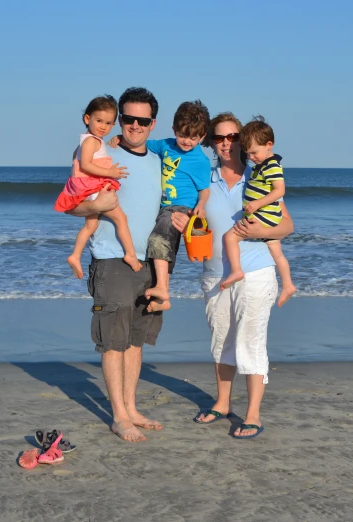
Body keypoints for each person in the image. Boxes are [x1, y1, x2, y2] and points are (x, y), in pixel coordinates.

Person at [172, 112, 294, 439]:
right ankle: (223, 403)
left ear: (243, 139)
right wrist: (183, 222)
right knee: (222, 340)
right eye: (218, 137)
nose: (226, 143)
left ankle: (252, 413)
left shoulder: (258, 177)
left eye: (233, 137)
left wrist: (258, 228)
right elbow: (189, 215)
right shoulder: (205, 179)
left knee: (251, 342)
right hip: (214, 274)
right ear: (211, 142)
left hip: (255, 273)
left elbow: (287, 225)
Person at [68, 87, 165, 443]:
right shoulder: (98, 151)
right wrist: (95, 206)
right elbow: (71, 203)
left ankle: (132, 408)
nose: (134, 125)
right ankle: (118, 416)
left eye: (143, 120)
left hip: (150, 261)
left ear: (152, 123)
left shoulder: (158, 161)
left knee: (136, 340)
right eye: (128, 118)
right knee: (113, 341)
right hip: (111, 259)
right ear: (119, 119)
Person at [134, 100, 211, 312]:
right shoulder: (166, 145)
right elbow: (141, 144)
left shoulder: (200, 161)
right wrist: (119, 139)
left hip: (181, 208)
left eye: (193, 137)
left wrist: (201, 206)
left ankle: (161, 287)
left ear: (202, 137)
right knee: (166, 246)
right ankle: (163, 298)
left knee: (158, 239)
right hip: (162, 207)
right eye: (183, 135)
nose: (187, 141)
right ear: (174, 129)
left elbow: (204, 189)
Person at [54, 95, 142, 279]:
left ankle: (75, 255)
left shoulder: (88, 141)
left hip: (88, 188)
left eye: (109, 123)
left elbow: (75, 163)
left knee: (90, 225)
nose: (103, 126)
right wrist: (109, 173)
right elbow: (85, 165)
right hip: (93, 189)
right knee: (121, 219)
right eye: (99, 120)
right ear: (87, 119)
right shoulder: (91, 141)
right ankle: (131, 255)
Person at [219, 117, 296, 307]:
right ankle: (288, 285)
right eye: (249, 154)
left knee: (230, 238)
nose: (252, 157)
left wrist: (256, 204)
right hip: (267, 217)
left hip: (263, 216)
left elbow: (280, 191)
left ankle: (236, 270)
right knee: (277, 254)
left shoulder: (272, 166)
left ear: (269, 144)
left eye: (254, 152)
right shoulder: (262, 166)